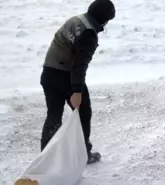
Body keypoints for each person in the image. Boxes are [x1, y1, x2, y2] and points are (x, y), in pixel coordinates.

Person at [39, 0, 115, 164]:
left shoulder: (76, 20)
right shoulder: (88, 33)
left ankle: (45, 162)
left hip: (49, 72)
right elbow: (79, 65)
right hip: (65, 76)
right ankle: (82, 155)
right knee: (83, 113)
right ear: (104, 19)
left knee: (53, 117)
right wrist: (77, 91)